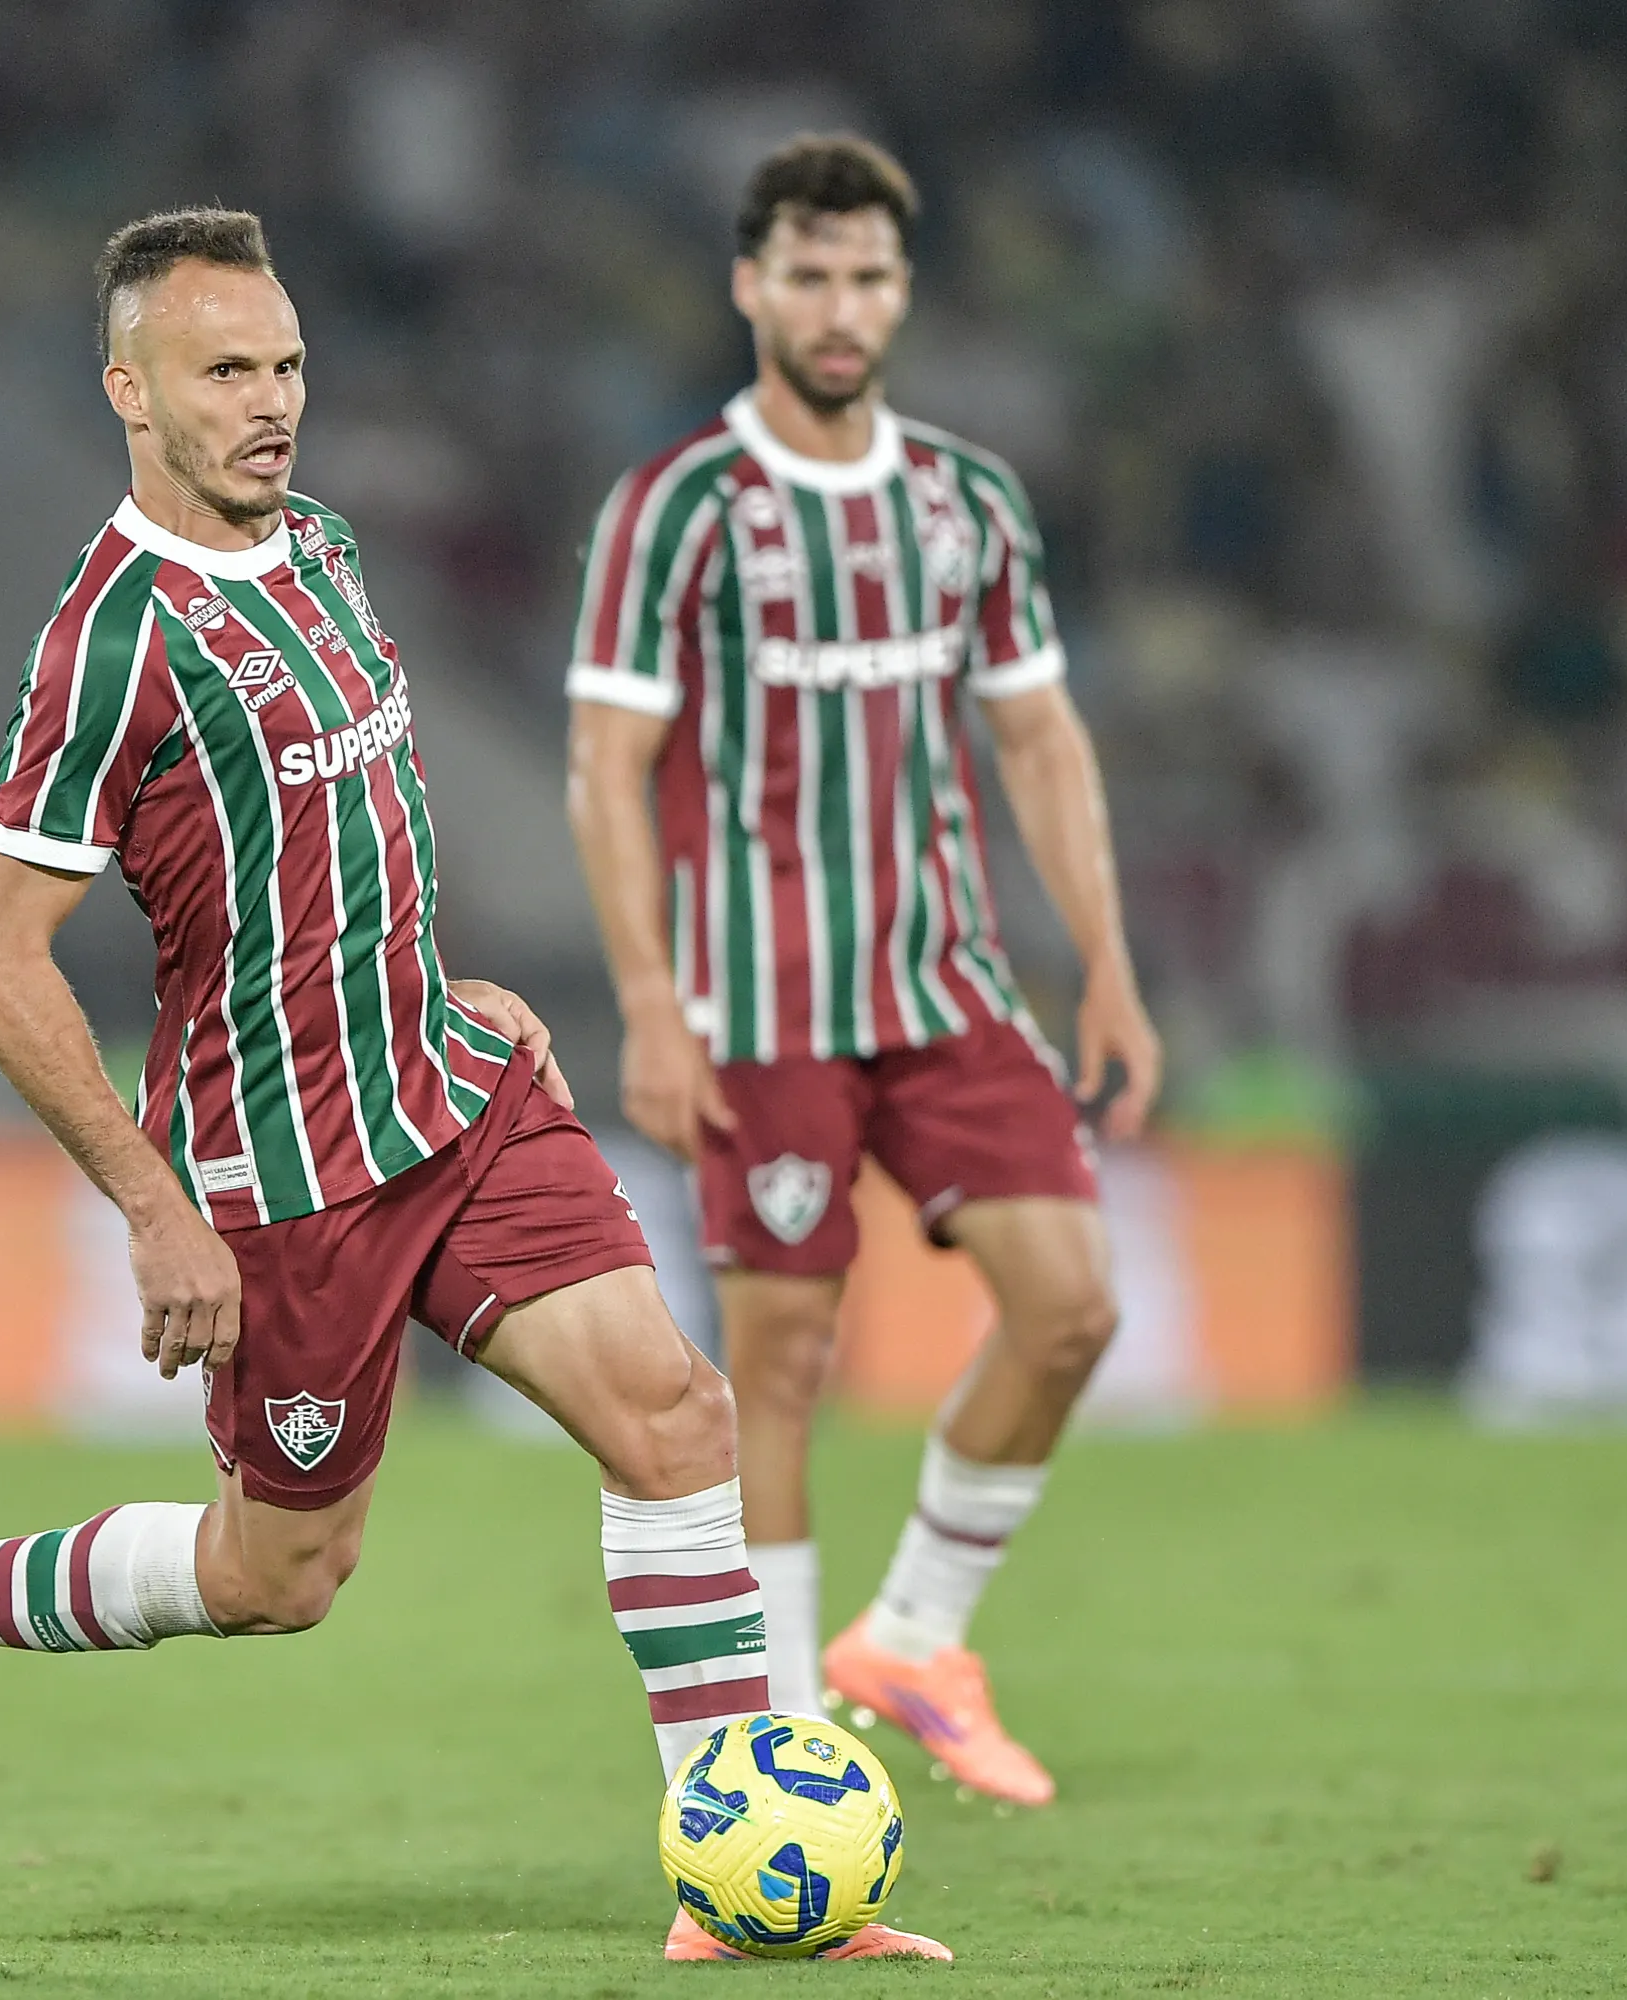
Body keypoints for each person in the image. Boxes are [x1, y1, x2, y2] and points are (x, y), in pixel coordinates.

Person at [0, 207, 945, 1965]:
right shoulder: (113, 645)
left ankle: (740, 1884)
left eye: (287, 366)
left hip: (453, 1089)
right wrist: (158, 1205)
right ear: (127, 391)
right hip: (281, 1174)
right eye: (224, 372)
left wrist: (432, 973)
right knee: (281, 1583)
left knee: (675, 1420)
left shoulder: (320, 542)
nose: (271, 405)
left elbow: (350, 811)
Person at [563, 136, 1162, 1809]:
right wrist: (648, 1002)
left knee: (1073, 1307)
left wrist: (1106, 961)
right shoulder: (675, 508)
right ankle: (775, 1762)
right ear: (751, 286)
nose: (841, 307)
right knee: (786, 1369)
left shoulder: (968, 500)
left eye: (870, 277)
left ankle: (911, 1632)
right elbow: (607, 768)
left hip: (948, 986)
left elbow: (1037, 736)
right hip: (759, 1009)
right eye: (809, 275)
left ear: (905, 292)